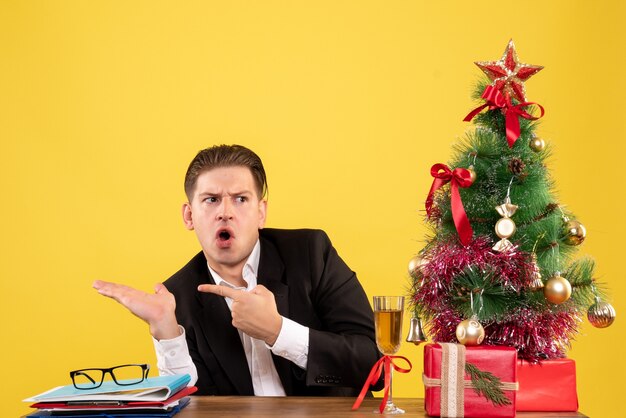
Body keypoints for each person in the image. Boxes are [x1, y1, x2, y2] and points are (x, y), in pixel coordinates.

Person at [93, 144, 381, 396]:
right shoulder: (175, 298)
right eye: (211, 199)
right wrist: (166, 331)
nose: (225, 212)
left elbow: (376, 365)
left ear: (261, 212)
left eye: (241, 199)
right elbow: (190, 405)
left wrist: (278, 331)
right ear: (189, 215)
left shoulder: (311, 253)